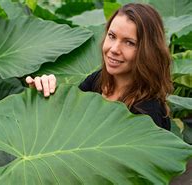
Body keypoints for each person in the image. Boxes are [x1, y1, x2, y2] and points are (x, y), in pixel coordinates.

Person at [25, 3, 173, 130]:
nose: (114, 49)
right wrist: (44, 97)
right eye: (112, 36)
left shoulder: (147, 113)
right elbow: (64, 120)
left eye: (129, 42)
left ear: (148, 51)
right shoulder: (98, 81)